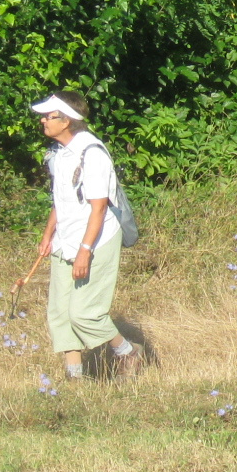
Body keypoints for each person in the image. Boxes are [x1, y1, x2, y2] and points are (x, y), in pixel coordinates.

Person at [32, 92, 141, 380]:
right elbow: (62, 200)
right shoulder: (58, 154)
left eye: (48, 116)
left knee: (84, 313)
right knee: (60, 311)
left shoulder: (92, 154)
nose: (43, 121)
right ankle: (74, 376)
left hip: (96, 239)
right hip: (65, 239)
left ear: (66, 120)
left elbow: (99, 208)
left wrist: (84, 250)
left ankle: (128, 352)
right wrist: (47, 235)